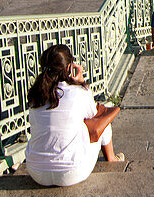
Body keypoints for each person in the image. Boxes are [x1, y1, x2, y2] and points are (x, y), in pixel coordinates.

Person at [25, 44, 123, 187]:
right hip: (71, 173)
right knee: (102, 121)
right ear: (69, 68)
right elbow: (94, 115)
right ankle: (112, 159)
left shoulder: (35, 95)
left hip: (36, 172)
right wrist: (82, 83)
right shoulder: (77, 92)